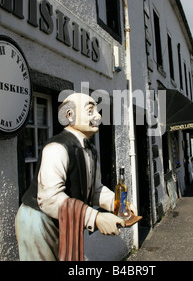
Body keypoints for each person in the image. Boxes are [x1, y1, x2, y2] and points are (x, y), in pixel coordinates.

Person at [15, 92, 137, 261]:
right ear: (70, 115)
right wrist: (95, 218)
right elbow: (50, 198)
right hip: (39, 222)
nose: (98, 116)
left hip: (64, 223)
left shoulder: (91, 150)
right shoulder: (56, 148)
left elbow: (96, 189)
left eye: (97, 111)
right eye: (90, 111)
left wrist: (119, 205)